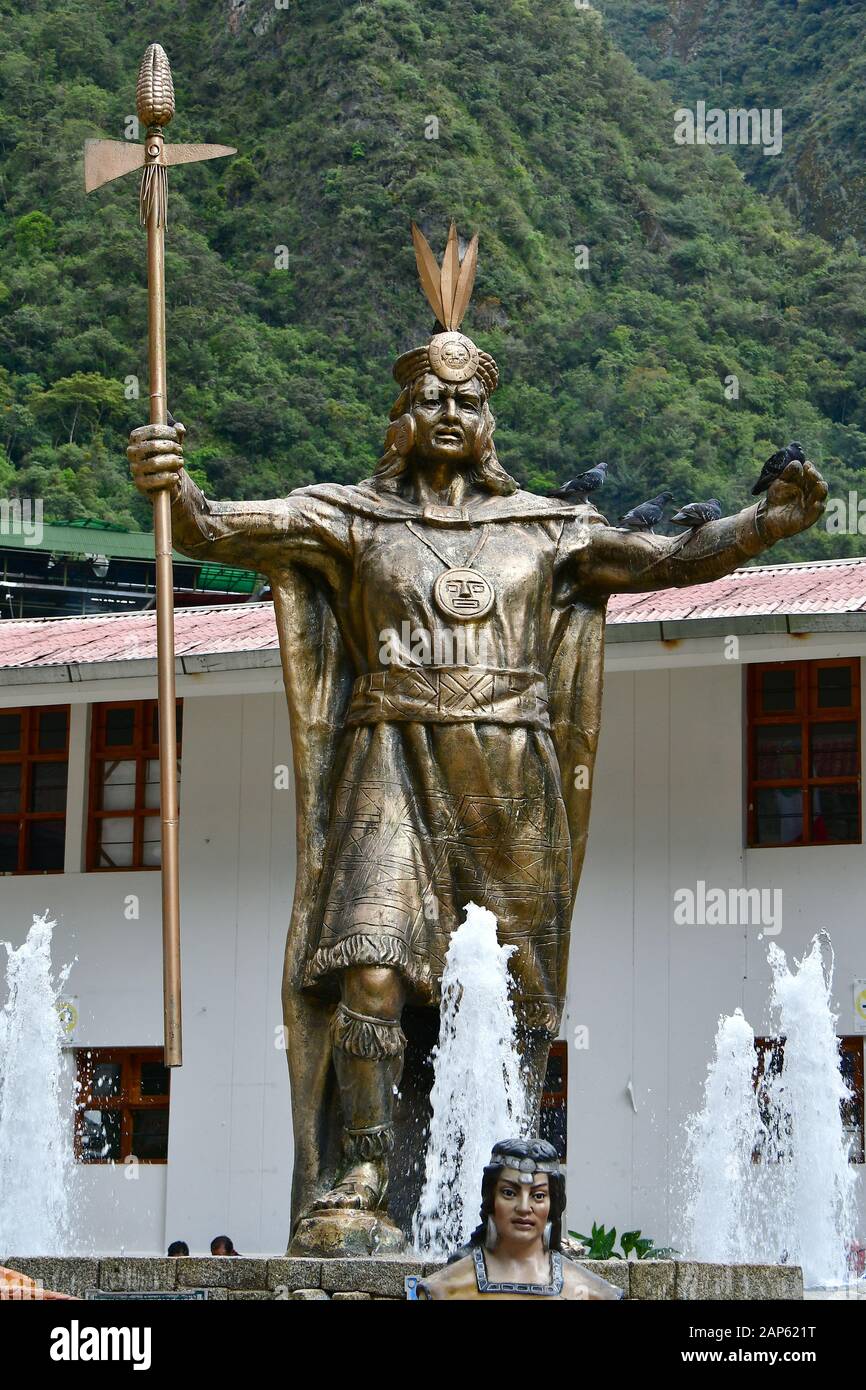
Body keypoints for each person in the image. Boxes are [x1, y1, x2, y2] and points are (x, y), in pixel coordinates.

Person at [128, 224, 827, 1250]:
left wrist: (763, 522)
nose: (447, 411)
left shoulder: (546, 530)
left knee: (507, 999)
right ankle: (357, 1180)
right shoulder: (348, 520)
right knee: (367, 966)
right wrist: (169, 478)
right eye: (428, 396)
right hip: (387, 760)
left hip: (510, 775)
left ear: (487, 415)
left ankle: (506, 1197)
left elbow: (671, 557)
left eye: (467, 397)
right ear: (400, 413)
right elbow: (213, 528)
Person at [416, 1138, 623, 1300]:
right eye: (509, 1193)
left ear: (553, 1205)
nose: (524, 1208)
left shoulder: (593, 1294)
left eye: (538, 1195)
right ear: (491, 1199)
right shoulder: (444, 1290)